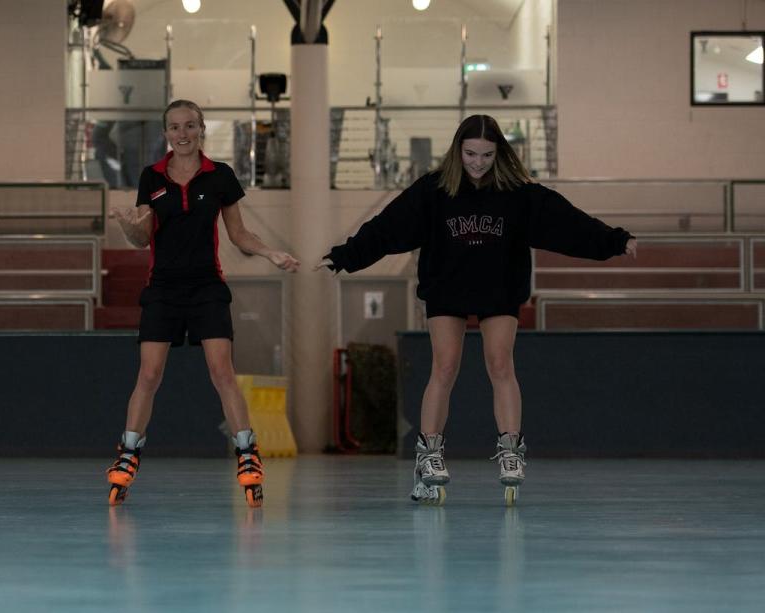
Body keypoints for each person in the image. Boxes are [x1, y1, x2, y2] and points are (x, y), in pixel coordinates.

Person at [320, 114, 637, 505]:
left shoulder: (518, 194)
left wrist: (613, 240)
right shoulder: (434, 191)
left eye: (487, 154)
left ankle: (510, 450)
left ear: (499, 152)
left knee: (500, 363)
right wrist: (344, 256)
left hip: (498, 288)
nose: (478, 162)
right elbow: (387, 227)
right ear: (457, 150)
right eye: (470, 153)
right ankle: (429, 456)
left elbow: (566, 222)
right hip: (447, 286)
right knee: (445, 366)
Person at [106, 99, 300, 508]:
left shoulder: (220, 176)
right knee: (149, 373)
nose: (183, 133)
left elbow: (239, 234)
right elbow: (142, 237)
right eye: (175, 127)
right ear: (166, 134)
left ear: (201, 129)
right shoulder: (151, 177)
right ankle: (127, 454)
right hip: (163, 288)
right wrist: (128, 225)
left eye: (190, 126)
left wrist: (271, 253)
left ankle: (247, 454)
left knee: (221, 370)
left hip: (207, 286)